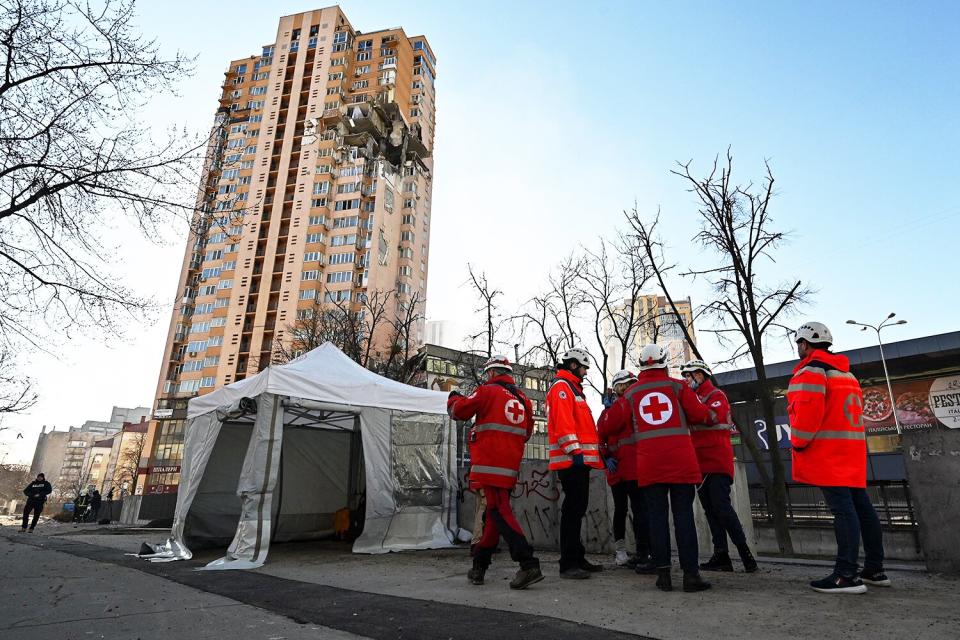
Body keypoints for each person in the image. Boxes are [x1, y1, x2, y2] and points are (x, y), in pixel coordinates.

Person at [602, 344, 716, 592]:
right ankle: (690, 576)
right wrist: (713, 416)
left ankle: (663, 575)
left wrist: (609, 408)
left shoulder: (631, 394)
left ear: (641, 366)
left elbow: (608, 426)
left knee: (656, 518)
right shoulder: (678, 387)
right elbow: (701, 415)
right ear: (664, 363)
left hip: (650, 465)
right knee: (684, 517)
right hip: (681, 463)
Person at [789, 322, 889, 594]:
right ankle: (874, 569)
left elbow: (807, 412)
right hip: (852, 451)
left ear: (804, 344)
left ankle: (846, 574)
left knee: (843, 511)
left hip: (828, 453)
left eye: (799, 343)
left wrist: (797, 443)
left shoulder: (811, 371)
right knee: (862, 508)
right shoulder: (847, 373)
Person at [448, 355, 544, 590]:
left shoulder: (486, 391)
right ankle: (479, 567)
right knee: (492, 517)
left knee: (499, 512)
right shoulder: (524, 400)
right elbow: (528, 433)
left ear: (491, 373)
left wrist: (453, 398)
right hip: (510, 466)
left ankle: (528, 563)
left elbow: (459, 412)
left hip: (489, 465)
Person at [681, 359, 758, 573]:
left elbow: (712, 417)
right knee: (710, 511)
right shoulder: (693, 398)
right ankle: (721, 555)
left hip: (717, 462)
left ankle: (746, 555)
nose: (686, 380)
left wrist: (691, 404)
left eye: (690, 375)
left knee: (722, 509)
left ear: (701, 375)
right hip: (700, 464)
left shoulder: (716, 396)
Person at [546, 346, 604, 579]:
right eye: (583, 368)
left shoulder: (573, 389)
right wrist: (575, 451)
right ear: (573, 365)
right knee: (572, 512)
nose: (586, 372)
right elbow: (563, 424)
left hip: (578, 462)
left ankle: (576, 558)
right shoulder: (562, 388)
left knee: (576, 511)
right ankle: (568, 564)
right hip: (572, 462)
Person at [597, 369, 650, 568]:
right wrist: (606, 459)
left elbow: (608, 427)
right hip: (617, 469)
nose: (629, 387)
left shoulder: (627, 405)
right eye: (626, 384)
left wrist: (610, 410)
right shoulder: (614, 408)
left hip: (632, 467)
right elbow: (601, 435)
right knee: (622, 509)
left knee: (639, 509)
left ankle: (644, 551)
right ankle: (622, 551)